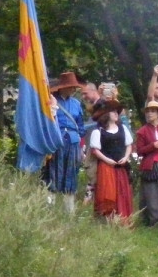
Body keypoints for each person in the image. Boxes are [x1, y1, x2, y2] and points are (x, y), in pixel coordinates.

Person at [88, 99, 133, 221]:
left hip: (121, 167)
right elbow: (95, 150)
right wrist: (107, 160)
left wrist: (126, 157)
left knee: (122, 193)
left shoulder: (123, 128)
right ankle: (107, 221)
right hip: (106, 168)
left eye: (116, 112)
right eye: (113, 111)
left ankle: (122, 220)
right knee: (108, 193)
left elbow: (129, 145)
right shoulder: (98, 131)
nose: (116, 114)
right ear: (106, 114)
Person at [46, 71, 84, 212]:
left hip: (73, 143)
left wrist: (80, 146)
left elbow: (80, 127)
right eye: (71, 87)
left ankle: (69, 211)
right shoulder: (51, 101)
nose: (74, 89)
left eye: (74, 87)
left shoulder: (76, 104)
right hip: (57, 141)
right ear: (63, 87)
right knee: (54, 173)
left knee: (71, 174)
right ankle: (49, 208)